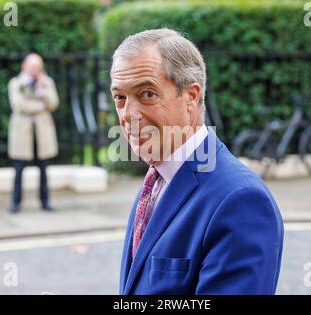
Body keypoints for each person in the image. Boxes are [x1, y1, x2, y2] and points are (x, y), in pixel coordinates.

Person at [111, 29, 284, 294]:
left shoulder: (241, 200)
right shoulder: (157, 178)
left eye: (147, 94)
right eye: (120, 98)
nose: (128, 115)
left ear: (191, 96)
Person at [7, 53, 59, 213]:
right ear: (24, 66)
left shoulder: (47, 82)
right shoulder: (16, 83)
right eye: (32, 66)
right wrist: (39, 106)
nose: (35, 70)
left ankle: (45, 202)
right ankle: (15, 203)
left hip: (41, 133)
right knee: (19, 169)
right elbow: (19, 105)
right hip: (23, 133)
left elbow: (54, 103)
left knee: (44, 169)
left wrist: (42, 90)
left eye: (38, 66)